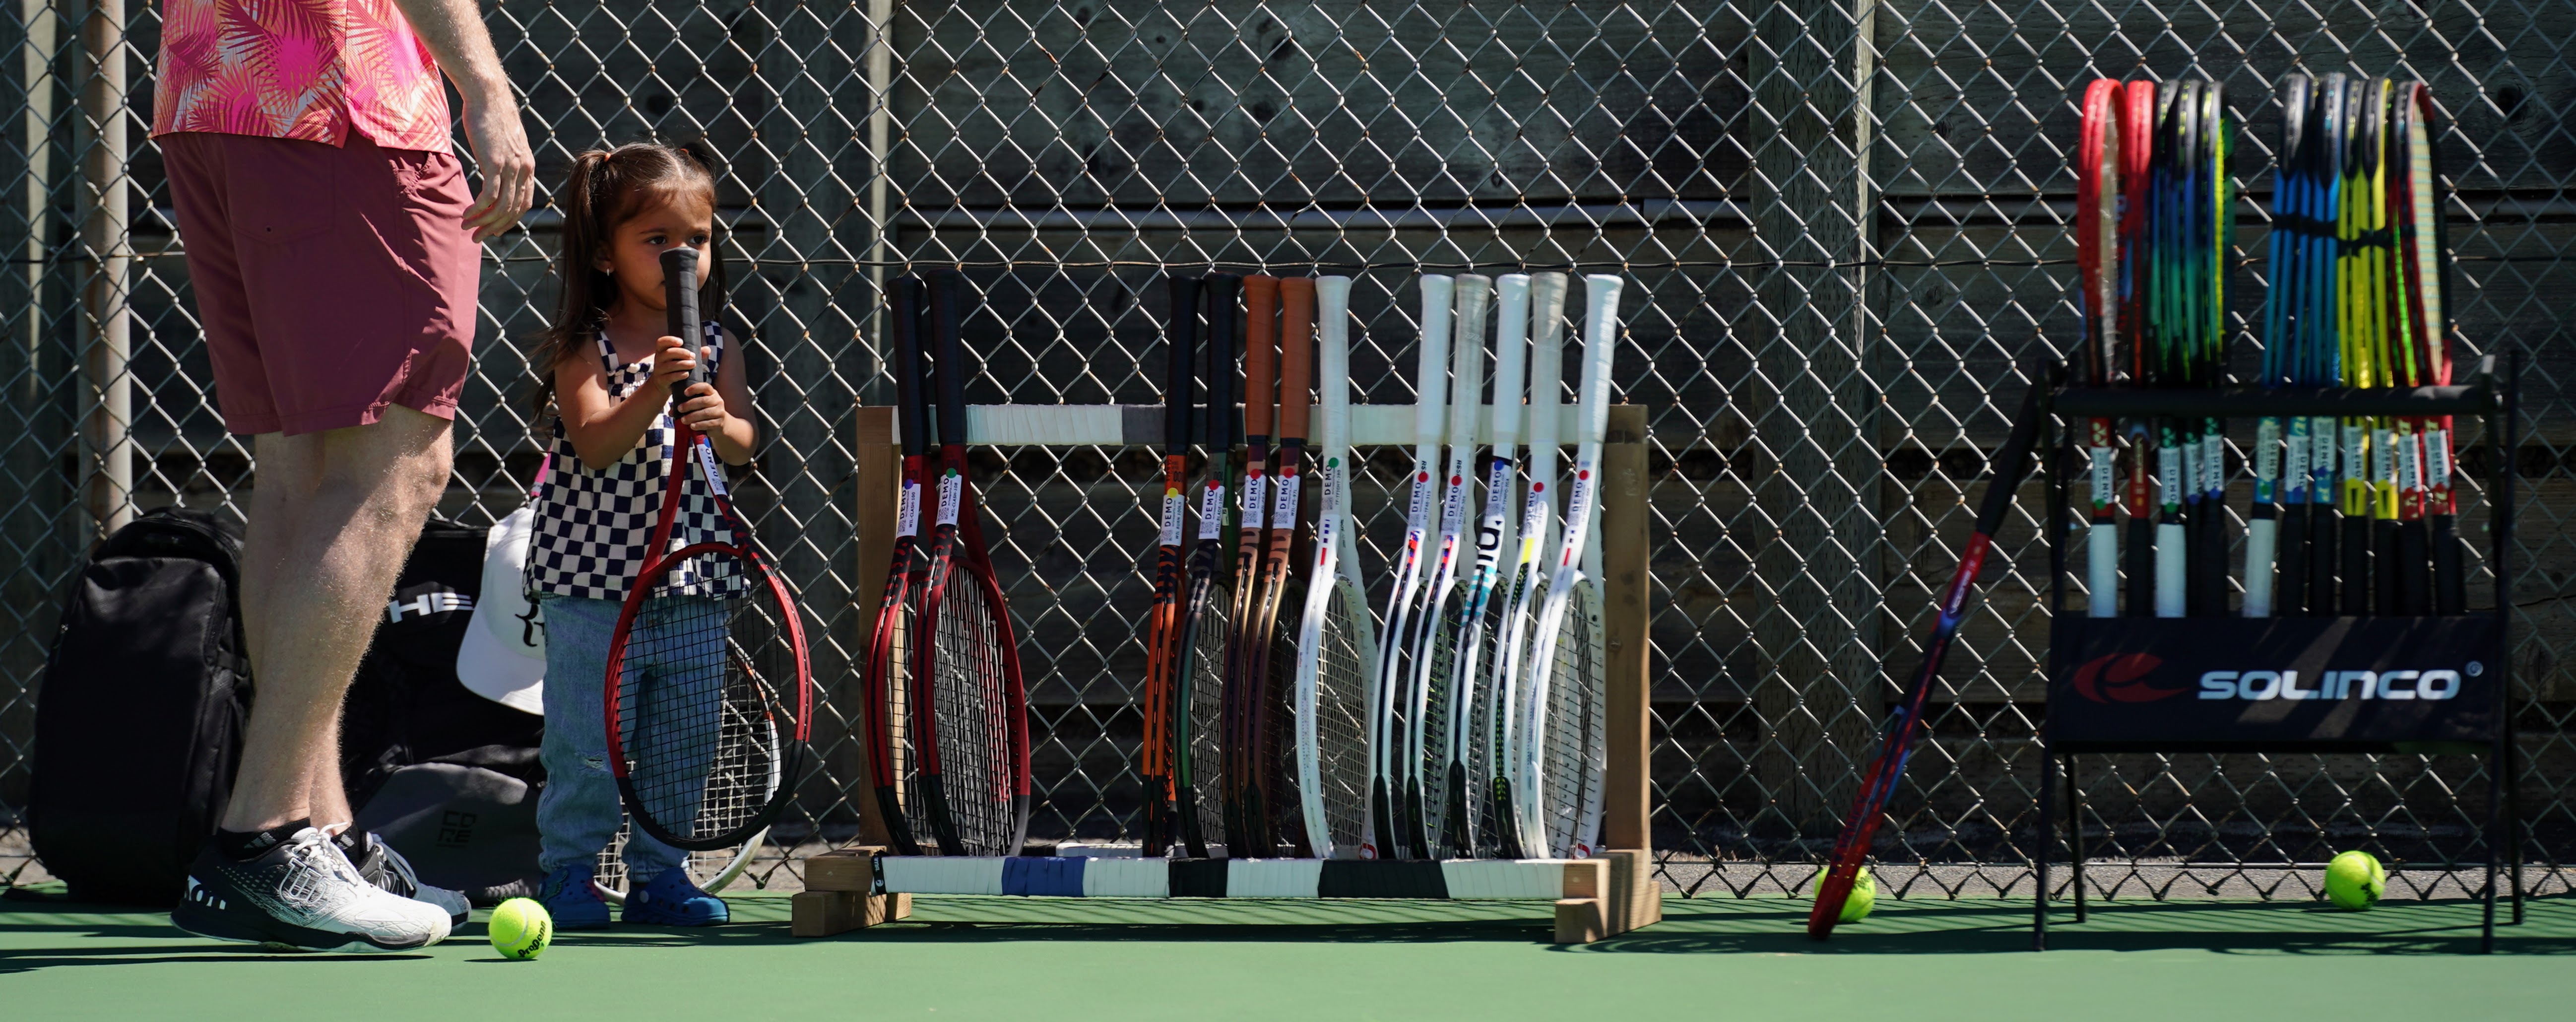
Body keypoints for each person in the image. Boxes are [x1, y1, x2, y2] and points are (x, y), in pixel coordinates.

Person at [158, 0, 533, 952]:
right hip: (348, 105)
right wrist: (486, 88)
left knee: (300, 469)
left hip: (213, 89)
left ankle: (317, 831)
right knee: (397, 466)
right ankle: (262, 835)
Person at [520, 143, 756, 928]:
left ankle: (661, 877)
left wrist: (720, 421)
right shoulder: (584, 348)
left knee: (683, 741)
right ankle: (570, 873)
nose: (682, 257)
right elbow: (594, 444)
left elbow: (744, 444)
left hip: (694, 587)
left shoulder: (719, 346)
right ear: (605, 254)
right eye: (657, 240)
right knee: (587, 741)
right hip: (593, 591)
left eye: (698, 239)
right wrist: (656, 386)